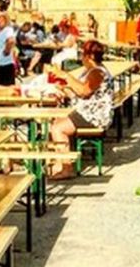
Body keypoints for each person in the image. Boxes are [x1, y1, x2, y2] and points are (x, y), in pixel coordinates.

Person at [45, 38, 114, 175]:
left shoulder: (98, 72)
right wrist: (63, 89)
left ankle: (66, 167)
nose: (81, 57)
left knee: (58, 129)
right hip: (86, 111)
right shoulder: (89, 71)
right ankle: (58, 161)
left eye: (83, 54)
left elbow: (84, 91)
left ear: (90, 56)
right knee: (55, 121)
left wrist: (66, 76)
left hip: (95, 116)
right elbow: (78, 94)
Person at [0, 11, 18, 85]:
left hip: (6, 63)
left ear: (5, 19)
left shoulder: (7, 30)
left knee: (8, 86)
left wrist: (6, 51)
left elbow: (11, 40)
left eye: (0, 18)